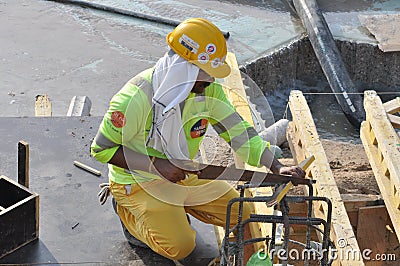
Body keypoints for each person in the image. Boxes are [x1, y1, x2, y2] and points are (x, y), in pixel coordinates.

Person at [91, 18, 305, 265]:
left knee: (242, 213)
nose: (211, 82)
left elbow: (238, 132)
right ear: (183, 69)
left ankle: (172, 212)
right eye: (206, 75)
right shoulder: (134, 99)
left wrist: (276, 167)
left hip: (182, 171)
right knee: (180, 247)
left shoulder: (207, 91)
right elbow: (101, 149)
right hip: (138, 181)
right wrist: (157, 166)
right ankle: (128, 214)